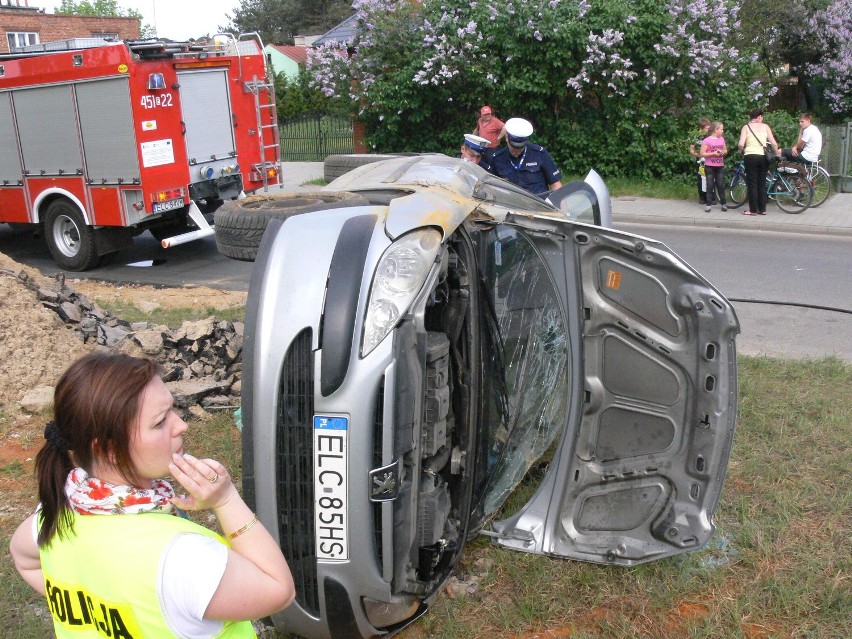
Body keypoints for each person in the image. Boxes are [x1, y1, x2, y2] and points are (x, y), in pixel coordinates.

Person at [9, 352, 295, 638]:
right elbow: (279, 591)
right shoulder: (182, 558)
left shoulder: (51, 519)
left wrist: (91, 610)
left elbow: (24, 559)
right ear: (108, 449)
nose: (181, 425)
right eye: (160, 423)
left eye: (173, 410)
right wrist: (226, 500)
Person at [487, 117, 563, 197]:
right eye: (514, 147)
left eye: (520, 147)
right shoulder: (497, 159)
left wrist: (560, 205)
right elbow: (492, 187)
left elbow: (555, 184)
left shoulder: (539, 154)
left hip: (538, 205)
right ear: (506, 137)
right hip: (511, 205)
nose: (517, 150)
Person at [737, 108, 779, 216]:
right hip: (763, 157)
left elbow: (741, 144)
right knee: (761, 183)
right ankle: (762, 209)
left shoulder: (746, 127)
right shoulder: (765, 127)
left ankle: (753, 210)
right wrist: (777, 153)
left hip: (750, 156)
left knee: (752, 183)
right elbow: (774, 143)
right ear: (759, 117)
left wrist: (741, 150)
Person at [700, 121, 728, 212]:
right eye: (721, 129)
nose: (722, 131)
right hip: (710, 166)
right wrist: (713, 153)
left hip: (719, 165)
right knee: (710, 185)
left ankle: (724, 203)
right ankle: (708, 204)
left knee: (720, 185)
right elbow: (702, 153)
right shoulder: (707, 140)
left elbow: (725, 150)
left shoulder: (722, 139)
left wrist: (723, 152)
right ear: (716, 130)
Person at [689, 117, 712, 205]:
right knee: (701, 179)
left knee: (710, 179)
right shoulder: (696, 136)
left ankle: (711, 197)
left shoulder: (711, 136)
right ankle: (702, 197)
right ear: (701, 128)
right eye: (707, 128)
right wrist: (698, 155)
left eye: (709, 127)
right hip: (701, 161)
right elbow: (691, 149)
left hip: (710, 160)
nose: (708, 129)